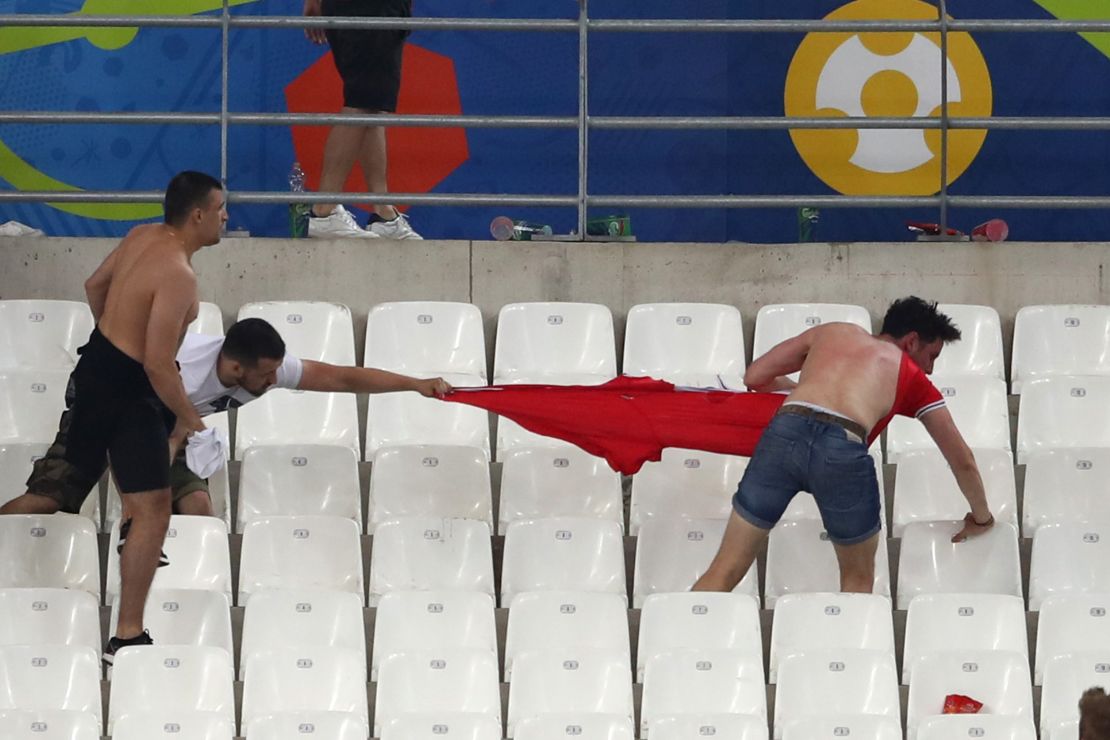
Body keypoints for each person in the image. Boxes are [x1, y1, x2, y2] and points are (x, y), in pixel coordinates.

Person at [1, 317, 451, 521]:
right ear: (236, 369)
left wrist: (415, 383)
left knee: (197, 508)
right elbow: (135, 442)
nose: (276, 380)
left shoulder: (260, 366)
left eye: (277, 371)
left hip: (162, 424)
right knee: (49, 500)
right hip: (105, 402)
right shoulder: (179, 366)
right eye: (267, 374)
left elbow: (340, 378)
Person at [692, 296, 995, 595]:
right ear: (912, 341)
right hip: (842, 447)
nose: (929, 369)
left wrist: (807, 392)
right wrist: (982, 517)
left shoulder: (833, 331)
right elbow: (962, 459)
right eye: (932, 356)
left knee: (724, 569)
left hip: (785, 430)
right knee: (857, 583)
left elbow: (755, 376)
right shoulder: (912, 376)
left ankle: (681, 636)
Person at [49, 171, 221, 663]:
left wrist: (111, 337)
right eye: (221, 208)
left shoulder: (140, 235)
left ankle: (126, 632)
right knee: (152, 510)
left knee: (54, 492)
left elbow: (94, 283)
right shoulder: (179, 274)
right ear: (198, 215)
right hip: (129, 391)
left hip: (95, 368)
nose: (227, 216)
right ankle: (126, 634)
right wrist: (191, 419)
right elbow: (157, 364)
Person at [302, 0, 422, 240]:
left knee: (373, 104)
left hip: (375, 9)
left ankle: (383, 213)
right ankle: (324, 211)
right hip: (368, 7)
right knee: (361, 103)